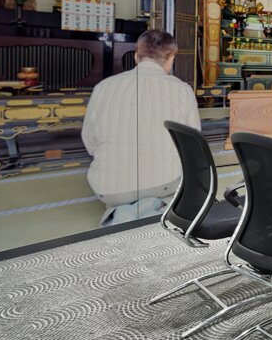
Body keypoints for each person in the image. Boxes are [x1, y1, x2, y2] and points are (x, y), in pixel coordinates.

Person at [81, 30, 200, 226]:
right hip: (164, 183)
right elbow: (192, 144)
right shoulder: (182, 90)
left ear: (136, 56)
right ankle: (153, 208)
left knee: (122, 190)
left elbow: (90, 141)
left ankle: (122, 212)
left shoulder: (103, 87)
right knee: (183, 180)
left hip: (108, 188)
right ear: (171, 58)